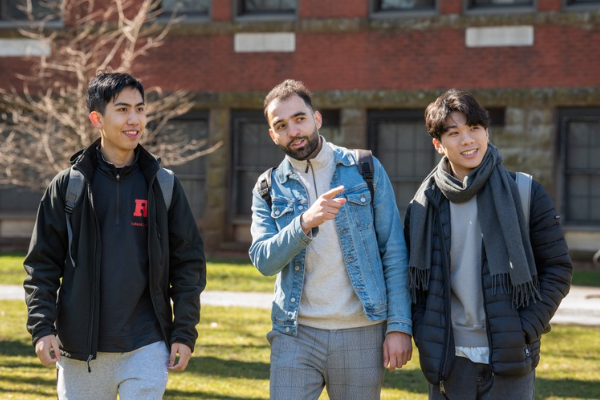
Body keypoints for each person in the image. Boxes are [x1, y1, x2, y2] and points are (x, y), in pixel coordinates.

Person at [23, 72, 206, 399]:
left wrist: (184, 332)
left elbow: (189, 264)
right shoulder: (68, 186)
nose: (134, 119)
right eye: (122, 110)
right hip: (80, 351)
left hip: (147, 344)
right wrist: (42, 328)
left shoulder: (163, 185)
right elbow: (41, 266)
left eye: (140, 109)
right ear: (97, 118)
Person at [249, 79, 412, 400]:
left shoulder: (363, 168)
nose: (293, 131)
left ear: (317, 119)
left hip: (361, 332)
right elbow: (263, 261)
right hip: (295, 333)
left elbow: (393, 251)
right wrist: (304, 223)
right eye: (281, 125)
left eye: (299, 119)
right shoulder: (268, 187)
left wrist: (399, 326)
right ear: (273, 135)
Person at [405, 89, 572, 399]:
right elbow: (413, 284)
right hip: (448, 360)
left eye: (474, 128)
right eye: (454, 133)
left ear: (486, 131)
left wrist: (523, 329)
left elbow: (558, 268)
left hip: (509, 356)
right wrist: (425, 333)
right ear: (438, 144)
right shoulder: (423, 206)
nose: (468, 140)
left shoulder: (525, 191)